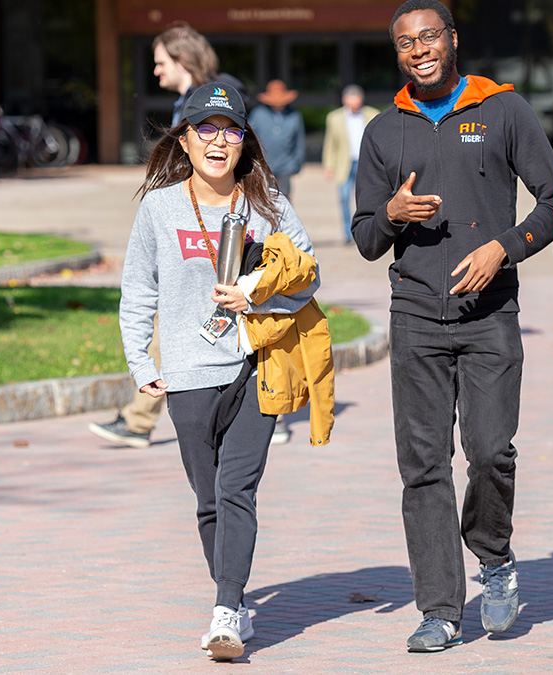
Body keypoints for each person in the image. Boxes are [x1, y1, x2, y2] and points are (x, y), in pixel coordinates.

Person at [352, 0, 553, 652]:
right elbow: (364, 237)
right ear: (399, 54)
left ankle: (494, 557)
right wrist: (390, 211)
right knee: (423, 466)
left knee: (491, 450)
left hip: (490, 314)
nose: (419, 49)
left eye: (429, 36)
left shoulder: (503, 110)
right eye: (406, 42)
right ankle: (440, 609)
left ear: (452, 39)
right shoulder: (385, 131)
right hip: (414, 316)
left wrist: (505, 246)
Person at [120, 83, 320, 661]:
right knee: (207, 498)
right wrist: (140, 361)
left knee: (237, 490)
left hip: (257, 365)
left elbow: (307, 276)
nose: (219, 140)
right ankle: (231, 594)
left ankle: (226, 610)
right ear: (184, 139)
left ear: (244, 141)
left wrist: (258, 294)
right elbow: (138, 291)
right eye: (205, 128)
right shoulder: (159, 208)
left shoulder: (269, 206)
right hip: (186, 372)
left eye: (231, 129)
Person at [91, 21, 271, 448]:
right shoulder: (183, 106)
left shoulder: (220, 101)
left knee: (211, 320)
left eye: (160, 62)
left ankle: (254, 404)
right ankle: (141, 417)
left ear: (182, 60)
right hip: (185, 230)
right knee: (179, 324)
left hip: (224, 234)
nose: (155, 72)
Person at [322, 84, 379, 243]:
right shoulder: (334, 118)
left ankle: (368, 231)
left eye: (357, 99)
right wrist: (328, 166)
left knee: (367, 199)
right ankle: (348, 232)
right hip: (344, 163)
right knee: (344, 197)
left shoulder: (372, 114)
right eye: (351, 99)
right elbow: (330, 143)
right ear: (344, 100)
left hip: (365, 162)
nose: (354, 102)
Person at [247, 80, 305, 198]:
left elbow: (299, 141)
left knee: (284, 198)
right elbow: (250, 138)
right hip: (264, 165)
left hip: (286, 165)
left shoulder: (294, 115)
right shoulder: (258, 114)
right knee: (264, 198)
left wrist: (296, 163)